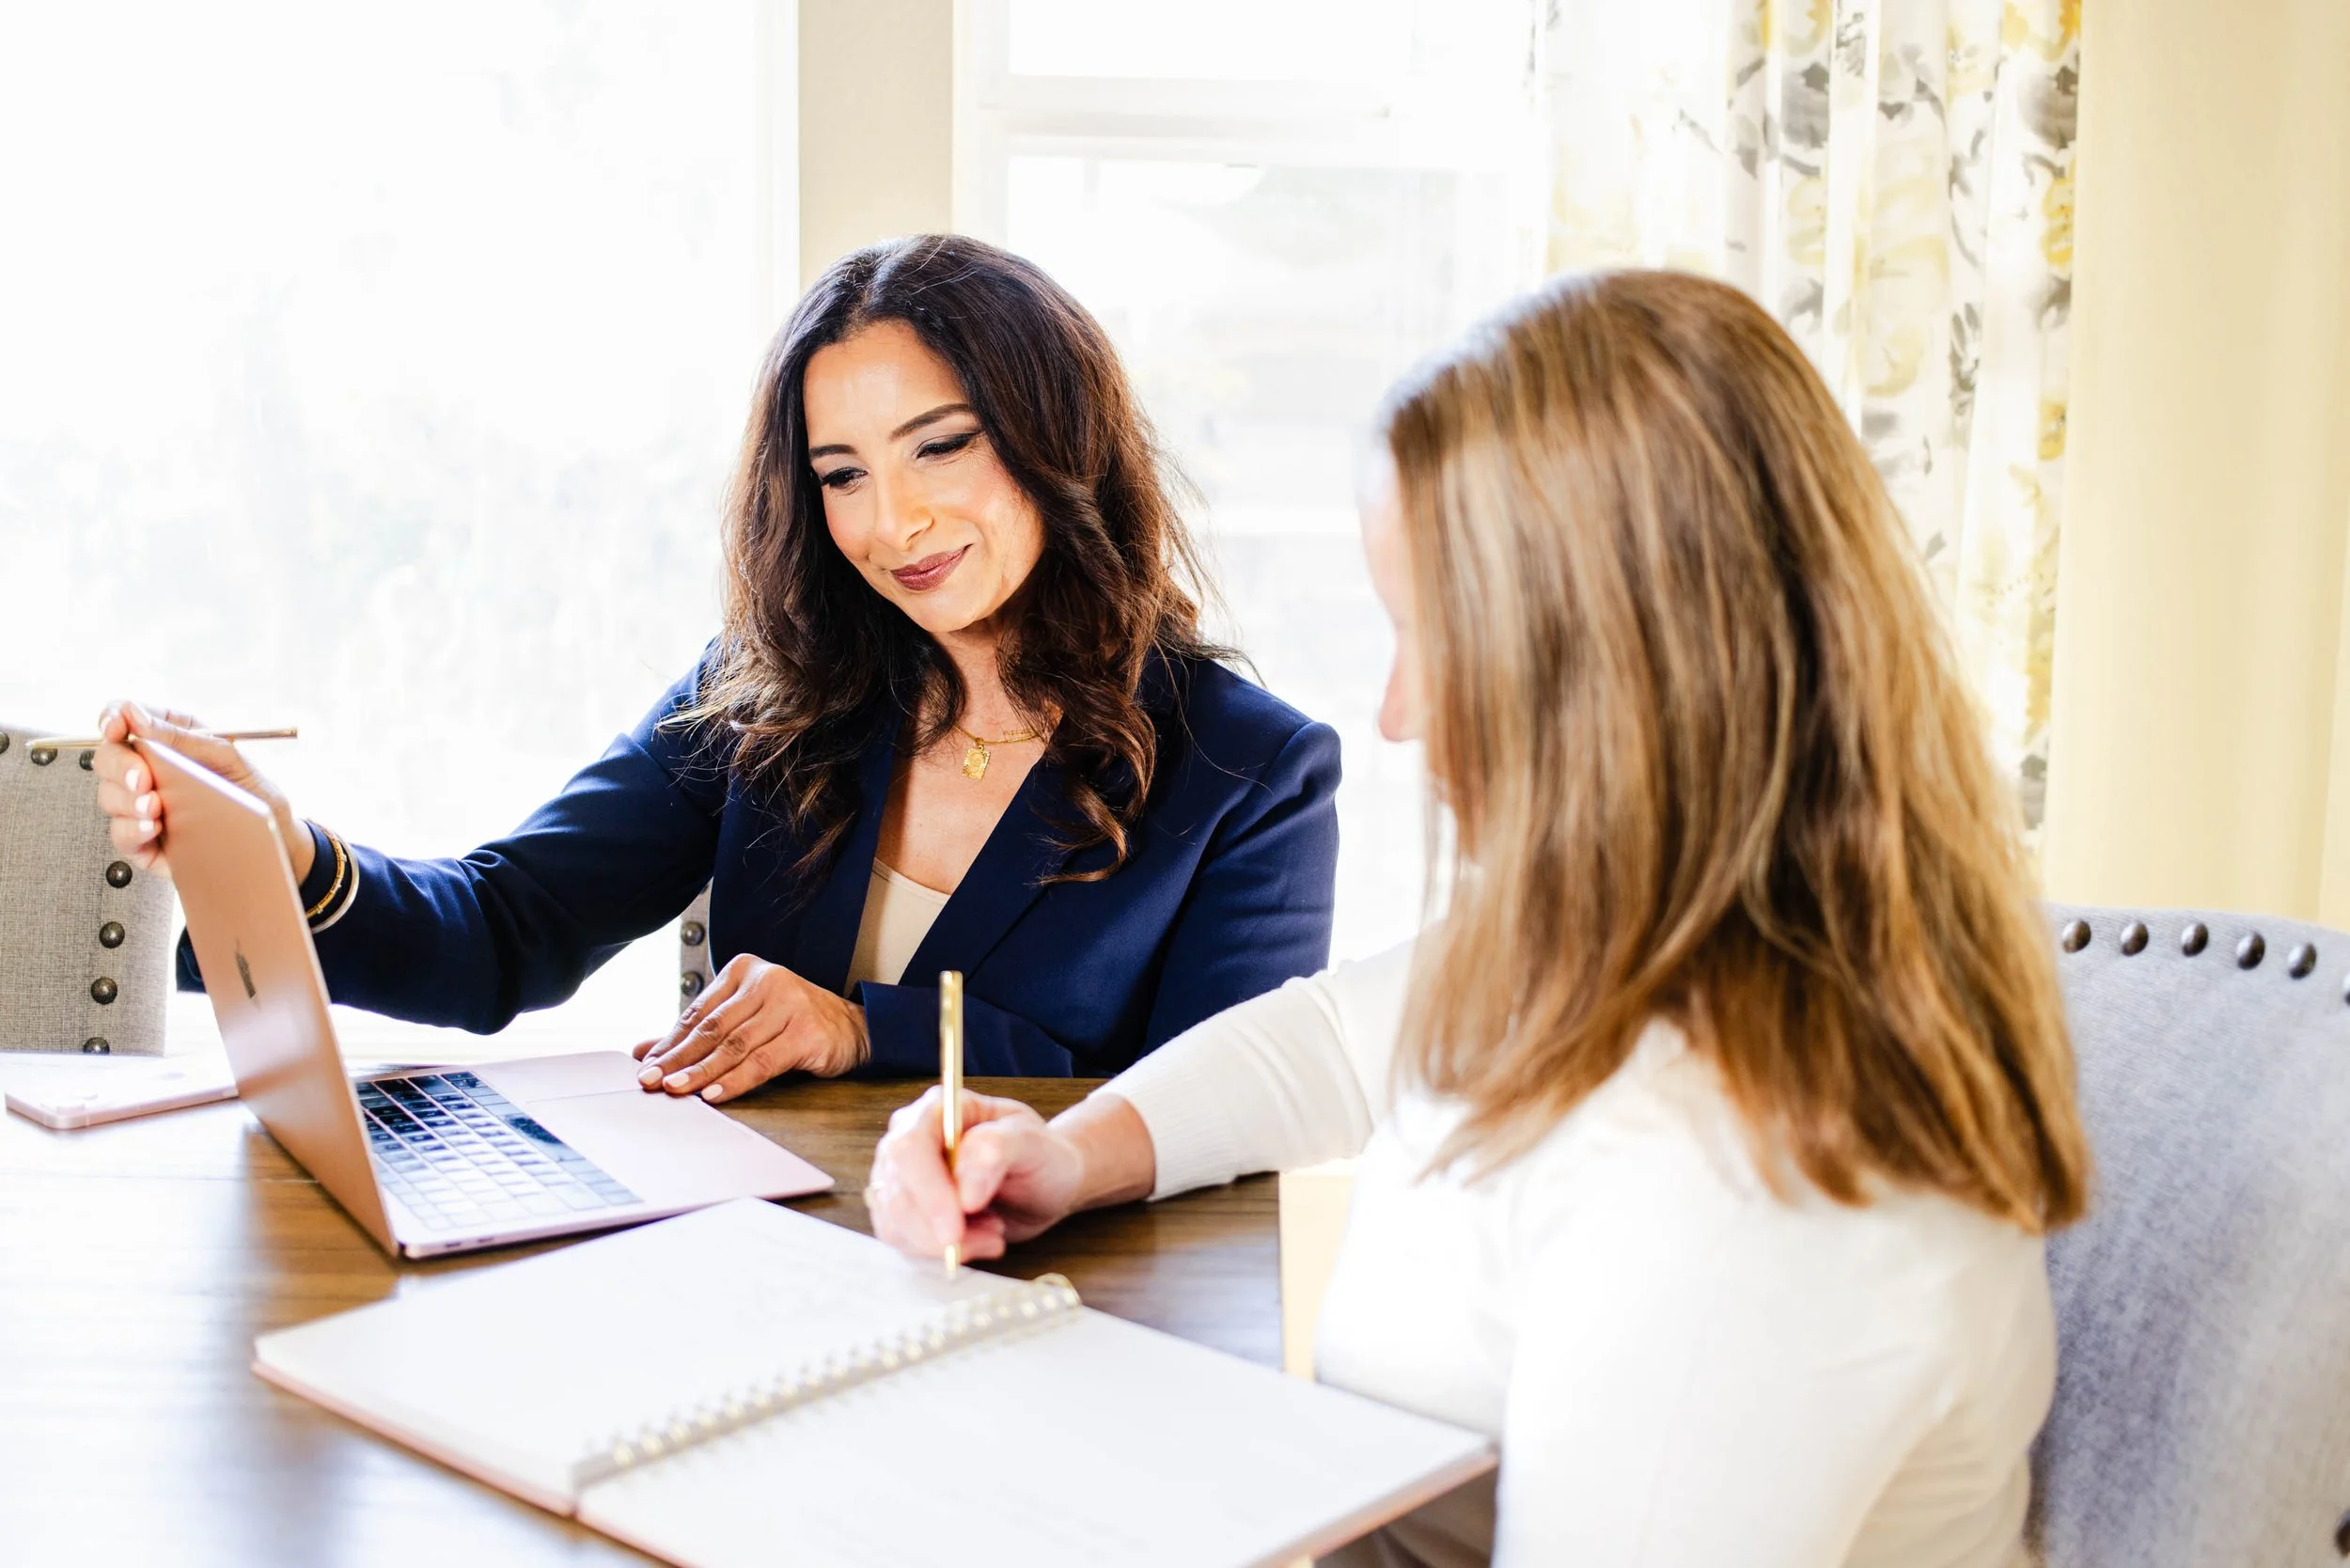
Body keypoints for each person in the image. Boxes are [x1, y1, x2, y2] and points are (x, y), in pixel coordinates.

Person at [867, 269, 2090, 1565]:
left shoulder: (1740, 1177)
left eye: (1426, 633)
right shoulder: (1655, 935)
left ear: (1606, 666)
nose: (1396, 710)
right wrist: (1076, 1152)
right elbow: (1339, 1042)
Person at [94, 235, 1340, 1094]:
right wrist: (285, 852)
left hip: (1061, 1323)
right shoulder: (772, 692)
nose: (888, 524)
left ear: (1057, 439)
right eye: (841, 474)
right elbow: (500, 935)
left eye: (940, 448)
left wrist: (866, 1033)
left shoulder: (1253, 773)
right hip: (757, 1277)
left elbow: (1206, 1120)